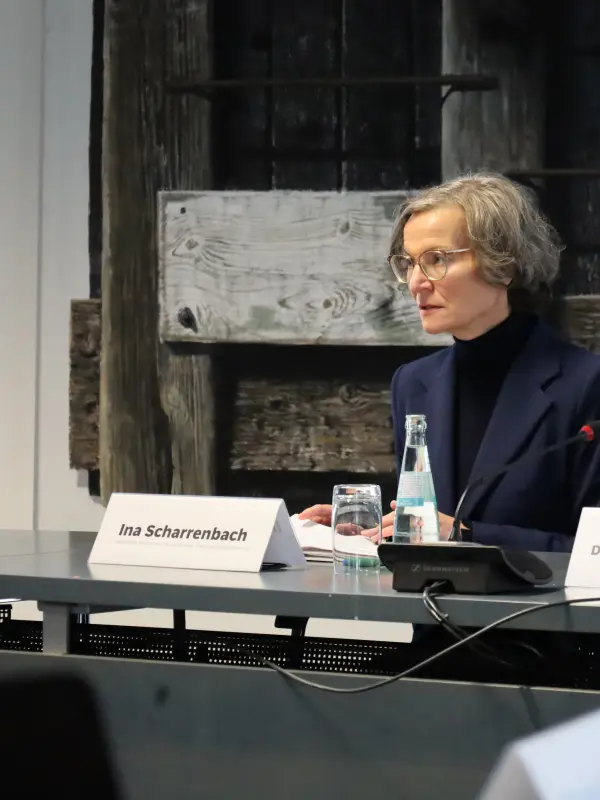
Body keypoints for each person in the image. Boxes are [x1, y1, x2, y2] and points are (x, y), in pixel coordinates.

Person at [299, 172, 600, 552]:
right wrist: (370, 531)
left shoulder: (586, 384)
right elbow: (426, 530)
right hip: (431, 612)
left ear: (504, 265)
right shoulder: (412, 383)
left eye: (436, 260)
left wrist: (467, 534)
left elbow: (594, 555)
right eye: (408, 263)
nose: (415, 283)